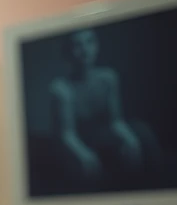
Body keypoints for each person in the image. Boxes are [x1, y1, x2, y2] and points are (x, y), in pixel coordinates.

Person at [46, 27, 156, 188]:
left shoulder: (108, 78)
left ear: (97, 46)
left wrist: (130, 140)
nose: (85, 50)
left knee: (140, 135)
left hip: (101, 139)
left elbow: (116, 121)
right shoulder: (61, 89)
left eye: (89, 42)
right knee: (85, 168)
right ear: (67, 52)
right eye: (77, 45)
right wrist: (85, 156)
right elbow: (67, 135)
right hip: (74, 144)